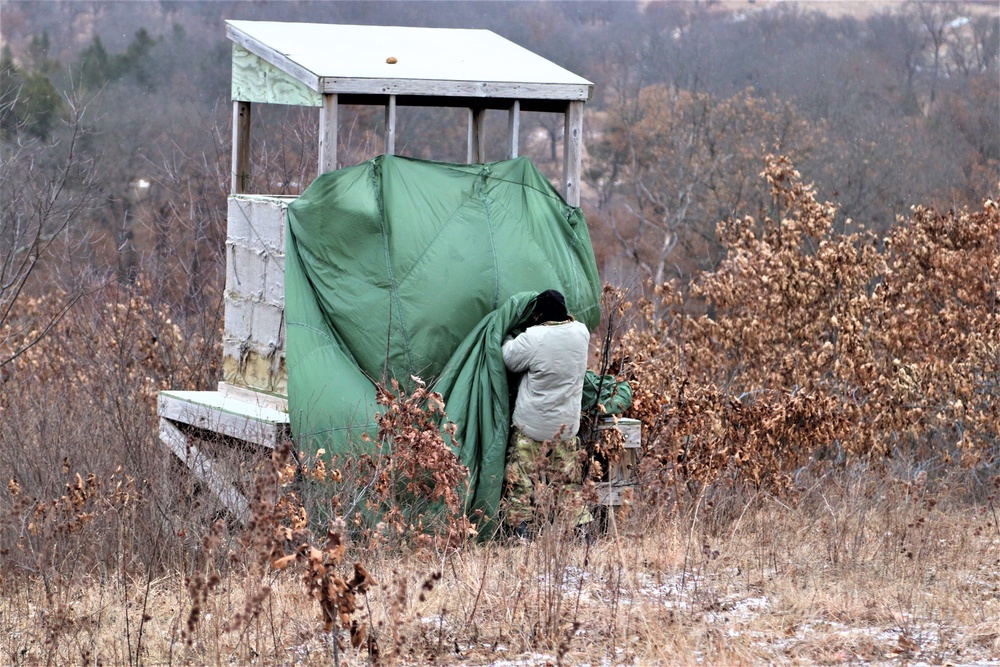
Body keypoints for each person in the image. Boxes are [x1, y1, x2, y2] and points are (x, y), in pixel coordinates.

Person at [501, 290, 591, 536]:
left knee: (520, 482)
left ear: (538, 315)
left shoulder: (535, 337)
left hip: (532, 428)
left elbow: (509, 358)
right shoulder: (582, 333)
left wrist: (509, 333)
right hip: (566, 428)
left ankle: (521, 533)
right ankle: (581, 533)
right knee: (568, 486)